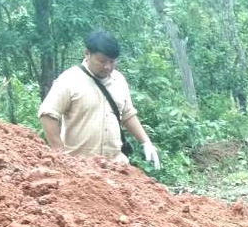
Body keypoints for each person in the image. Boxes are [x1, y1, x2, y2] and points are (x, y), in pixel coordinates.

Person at [38, 30, 161, 170]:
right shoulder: (69, 80)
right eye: (102, 61)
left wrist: (146, 142)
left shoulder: (119, 80)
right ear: (87, 54)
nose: (107, 66)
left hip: (116, 166)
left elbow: (128, 115)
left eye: (112, 61)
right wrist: (59, 153)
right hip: (80, 168)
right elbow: (48, 114)